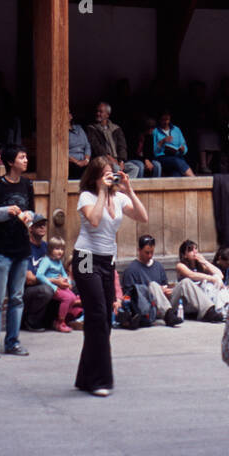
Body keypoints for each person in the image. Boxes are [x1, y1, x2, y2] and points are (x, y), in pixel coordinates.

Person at [72, 156, 147, 395]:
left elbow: (142, 216)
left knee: (105, 317)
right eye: (104, 173)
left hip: (106, 259)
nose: (109, 177)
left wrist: (129, 189)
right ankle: (99, 380)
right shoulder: (87, 196)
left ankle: (86, 376)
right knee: (95, 314)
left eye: (111, 173)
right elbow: (93, 221)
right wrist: (102, 191)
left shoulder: (119, 197)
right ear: (95, 176)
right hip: (85, 257)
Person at [0, 146, 35, 358]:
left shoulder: (27, 184)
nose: (26, 160)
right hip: (0, 249)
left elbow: (33, 210)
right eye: (22, 156)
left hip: (21, 247)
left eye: (25, 156)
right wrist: (6, 211)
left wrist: (29, 215)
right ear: (11, 162)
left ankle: (13, 341)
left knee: (17, 298)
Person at [120, 233, 207, 326]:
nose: (150, 255)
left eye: (152, 252)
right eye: (147, 252)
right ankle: (168, 315)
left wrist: (167, 290)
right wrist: (153, 290)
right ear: (139, 250)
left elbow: (165, 285)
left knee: (185, 282)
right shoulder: (131, 270)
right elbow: (129, 295)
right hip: (149, 306)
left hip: (166, 303)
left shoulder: (158, 266)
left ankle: (208, 310)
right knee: (153, 285)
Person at [36, 238, 84, 331]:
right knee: (67, 298)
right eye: (57, 249)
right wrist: (53, 286)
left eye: (62, 249)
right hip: (51, 287)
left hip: (61, 286)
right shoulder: (47, 261)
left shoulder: (58, 262)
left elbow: (64, 274)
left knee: (73, 297)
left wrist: (68, 282)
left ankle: (63, 318)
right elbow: (39, 275)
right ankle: (60, 321)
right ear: (50, 249)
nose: (60, 252)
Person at [22, 214, 58, 332]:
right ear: (31, 228)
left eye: (44, 225)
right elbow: (30, 279)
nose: (42, 227)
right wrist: (53, 280)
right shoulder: (26, 247)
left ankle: (54, 321)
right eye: (38, 225)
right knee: (46, 290)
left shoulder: (47, 247)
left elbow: (56, 270)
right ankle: (30, 321)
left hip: (44, 283)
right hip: (27, 291)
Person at [86, 101, 142, 177]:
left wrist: (121, 160)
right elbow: (96, 147)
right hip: (103, 160)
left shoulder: (116, 128)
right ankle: (115, 187)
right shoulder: (92, 129)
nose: (98, 114)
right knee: (116, 168)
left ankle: (124, 187)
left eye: (101, 112)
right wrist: (110, 158)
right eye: (97, 111)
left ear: (107, 115)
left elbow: (122, 146)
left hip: (117, 160)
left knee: (134, 168)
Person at [175, 240, 228, 319]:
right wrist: (211, 278)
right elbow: (191, 275)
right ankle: (213, 311)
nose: (194, 252)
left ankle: (225, 309)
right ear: (184, 255)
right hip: (188, 301)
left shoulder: (200, 265)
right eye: (190, 250)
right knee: (190, 281)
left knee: (216, 278)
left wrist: (204, 261)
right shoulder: (180, 266)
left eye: (195, 249)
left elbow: (220, 275)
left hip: (203, 299)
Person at [152, 111, 194, 176]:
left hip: (177, 156)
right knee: (176, 161)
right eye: (163, 120)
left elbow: (184, 145)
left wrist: (183, 149)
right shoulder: (155, 131)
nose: (166, 122)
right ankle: (193, 178)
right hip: (162, 158)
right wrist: (162, 141)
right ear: (159, 120)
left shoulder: (176, 129)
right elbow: (153, 151)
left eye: (167, 120)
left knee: (176, 174)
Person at [68, 112, 91, 179]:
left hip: (84, 160)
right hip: (71, 162)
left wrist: (86, 159)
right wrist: (77, 162)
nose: (69, 115)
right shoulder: (61, 132)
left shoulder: (79, 128)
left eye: (69, 113)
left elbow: (87, 145)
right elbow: (62, 151)